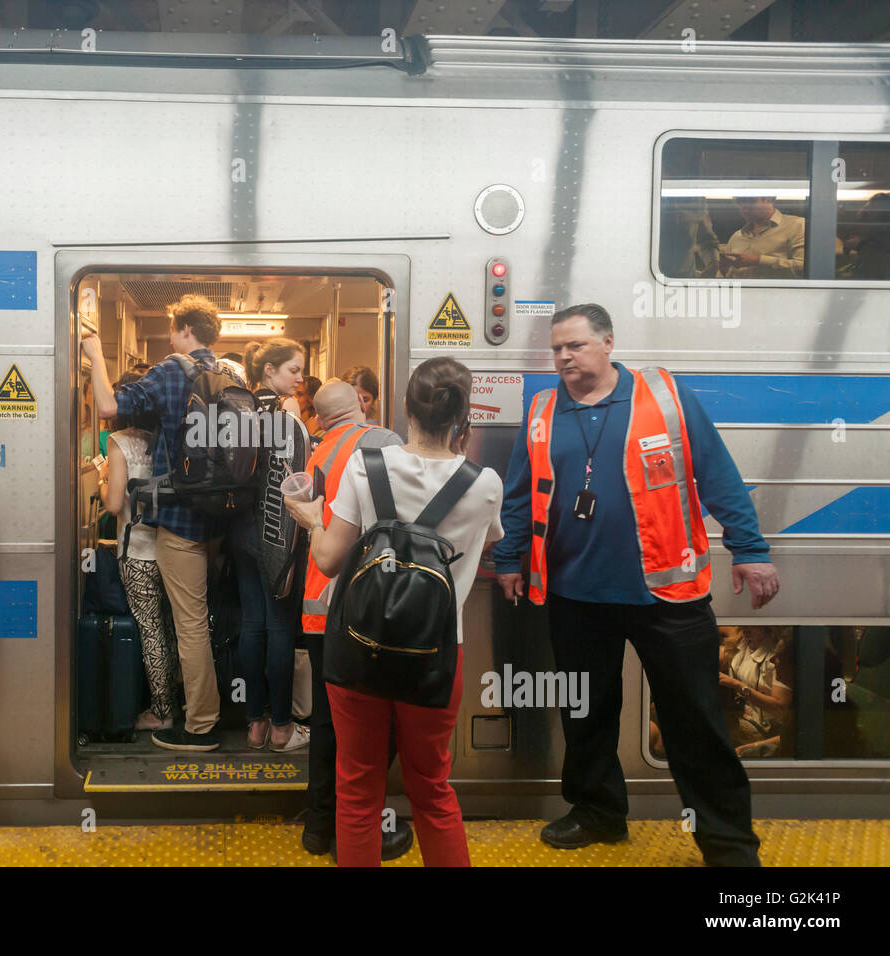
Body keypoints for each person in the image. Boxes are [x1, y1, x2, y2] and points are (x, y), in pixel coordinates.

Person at [492, 302, 780, 867]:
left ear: (608, 343)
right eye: (556, 348)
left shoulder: (664, 396)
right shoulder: (543, 408)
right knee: (586, 715)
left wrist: (749, 549)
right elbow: (520, 493)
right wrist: (509, 560)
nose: (563, 357)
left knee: (694, 721)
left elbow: (716, 474)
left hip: (665, 596)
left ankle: (728, 844)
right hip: (574, 596)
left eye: (574, 345)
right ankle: (598, 813)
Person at [286, 358, 504, 867]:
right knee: (432, 788)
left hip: (358, 650)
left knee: (358, 790)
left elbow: (328, 558)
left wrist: (313, 519)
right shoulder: (485, 483)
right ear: (463, 417)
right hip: (434, 655)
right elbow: (487, 539)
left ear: (404, 408)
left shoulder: (367, 467)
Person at [82, 294, 230, 752]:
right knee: (202, 618)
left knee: (188, 626)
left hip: (180, 519)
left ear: (183, 328)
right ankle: (216, 708)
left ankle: (199, 725)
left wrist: (93, 355)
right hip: (222, 519)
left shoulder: (172, 369)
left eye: (173, 329)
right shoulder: (230, 373)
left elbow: (107, 407)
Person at [296, 378, 411, 860]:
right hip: (364, 605)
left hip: (320, 602)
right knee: (369, 728)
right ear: (361, 406)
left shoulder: (316, 454)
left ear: (320, 419)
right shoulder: (382, 442)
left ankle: (319, 825)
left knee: (327, 721)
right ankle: (357, 826)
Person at [233, 338, 309, 752]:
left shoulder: (237, 414)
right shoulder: (287, 420)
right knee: (279, 627)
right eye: (294, 370)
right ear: (269, 371)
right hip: (275, 532)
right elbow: (296, 484)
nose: (300, 378)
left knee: (251, 625)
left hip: (238, 532)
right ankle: (282, 728)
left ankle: (254, 724)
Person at [98, 367, 180, 732]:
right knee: (177, 628)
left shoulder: (119, 442)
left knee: (150, 630)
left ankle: (161, 712)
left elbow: (115, 504)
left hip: (137, 552)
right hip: (174, 547)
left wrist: (102, 483)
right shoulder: (165, 441)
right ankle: (183, 701)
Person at [722, 626, 792, 758]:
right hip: (743, 722)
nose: (746, 630)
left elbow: (779, 705)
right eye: (744, 626)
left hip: (765, 730)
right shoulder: (742, 641)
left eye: (751, 626)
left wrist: (738, 686)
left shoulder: (777, 657)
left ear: (766, 627)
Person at [718, 195, 805, 278]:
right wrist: (723, 270)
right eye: (739, 202)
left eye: (750, 201)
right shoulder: (737, 237)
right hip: (743, 292)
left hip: (779, 292)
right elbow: (727, 277)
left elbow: (804, 267)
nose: (743, 207)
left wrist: (758, 261)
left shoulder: (796, 225)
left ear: (770, 198)